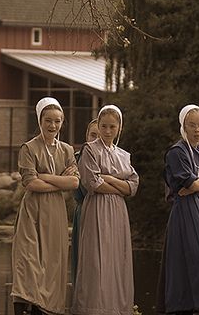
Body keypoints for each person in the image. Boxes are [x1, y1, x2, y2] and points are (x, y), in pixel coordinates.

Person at [11, 97, 79, 315]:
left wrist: (46, 177)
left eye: (57, 121)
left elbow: (75, 182)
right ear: (40, 121)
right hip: (33, 210)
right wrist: (59, 181)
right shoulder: (28, 148)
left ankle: (46, 308)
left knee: (52, 260)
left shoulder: (68, 150)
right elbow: (30, 182)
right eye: (48, 120)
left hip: (56, 211)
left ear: (62, 122)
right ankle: (23, 305)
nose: (53, 126)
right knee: (28, 259)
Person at [71, 104, 139, 315]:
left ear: (119, 128)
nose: (108, 131)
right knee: (96, 257)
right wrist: (120, 185)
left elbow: (134, 185)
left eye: (112, 127)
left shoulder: (124, 155)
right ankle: (93, 308)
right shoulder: (90, 149)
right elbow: (92, 183)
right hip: (97, 208)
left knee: (116, 257)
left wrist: (108, 178)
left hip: (118, 211)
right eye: (104, 126)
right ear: (98, 126)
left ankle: (115, 307)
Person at [157, 105, 199, 315]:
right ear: (183, 126)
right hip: (185, 212)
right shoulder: (177, 152)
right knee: (192, 260)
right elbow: (190, 184)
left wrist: (198, 185)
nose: (197, 130)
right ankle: (184, 305)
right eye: (192, 125)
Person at [70, 118, 99, 285]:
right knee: (83, 259)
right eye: (92, 135)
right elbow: (83, 190)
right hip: (85, 212)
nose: (95, 139)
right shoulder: (77, 157)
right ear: (86, 136)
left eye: (99, 135)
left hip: (105, 212)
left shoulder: (110, 157)